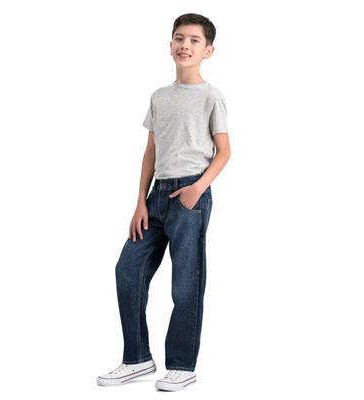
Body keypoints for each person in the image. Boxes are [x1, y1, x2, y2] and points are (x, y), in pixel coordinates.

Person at [97, 12, 231, 391]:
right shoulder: (159, 97)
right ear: (170, 45)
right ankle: (137, 358)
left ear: (208, 50)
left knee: (185, 282)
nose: (185, 45)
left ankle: (182, 365)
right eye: (179, 38)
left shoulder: (211, 96)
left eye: (194, 40)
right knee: (128, 269)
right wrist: (140, 201)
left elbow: (224, 151)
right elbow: (151, 151)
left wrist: (197, 188)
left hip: (190, 195)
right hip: (156, 197)